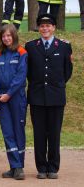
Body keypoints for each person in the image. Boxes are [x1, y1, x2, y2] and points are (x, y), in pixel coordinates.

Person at [25, 14, 73, 179]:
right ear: (38, 28)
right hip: (37, 96)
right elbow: (29, 72)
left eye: (48, 25)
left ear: (54, 27)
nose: (45, 28)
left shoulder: (64, 47)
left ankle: (53, 167)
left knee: (54, 133)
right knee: (39, 134)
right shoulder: (30, 46)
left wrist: (56, 85)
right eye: (42, 26)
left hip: (56, 97)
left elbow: (67, 71)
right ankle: (41, 167)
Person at [0, 24, 27, 180]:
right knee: (7, 132)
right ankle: (14, 166)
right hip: (2, 99)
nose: (6, 38)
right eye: (3, 36)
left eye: (8, 36)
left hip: (16, 97)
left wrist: (9, 94)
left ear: (14, 36)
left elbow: (21, 76)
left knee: (18, 131)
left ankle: (19, 167)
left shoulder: (21, 52)